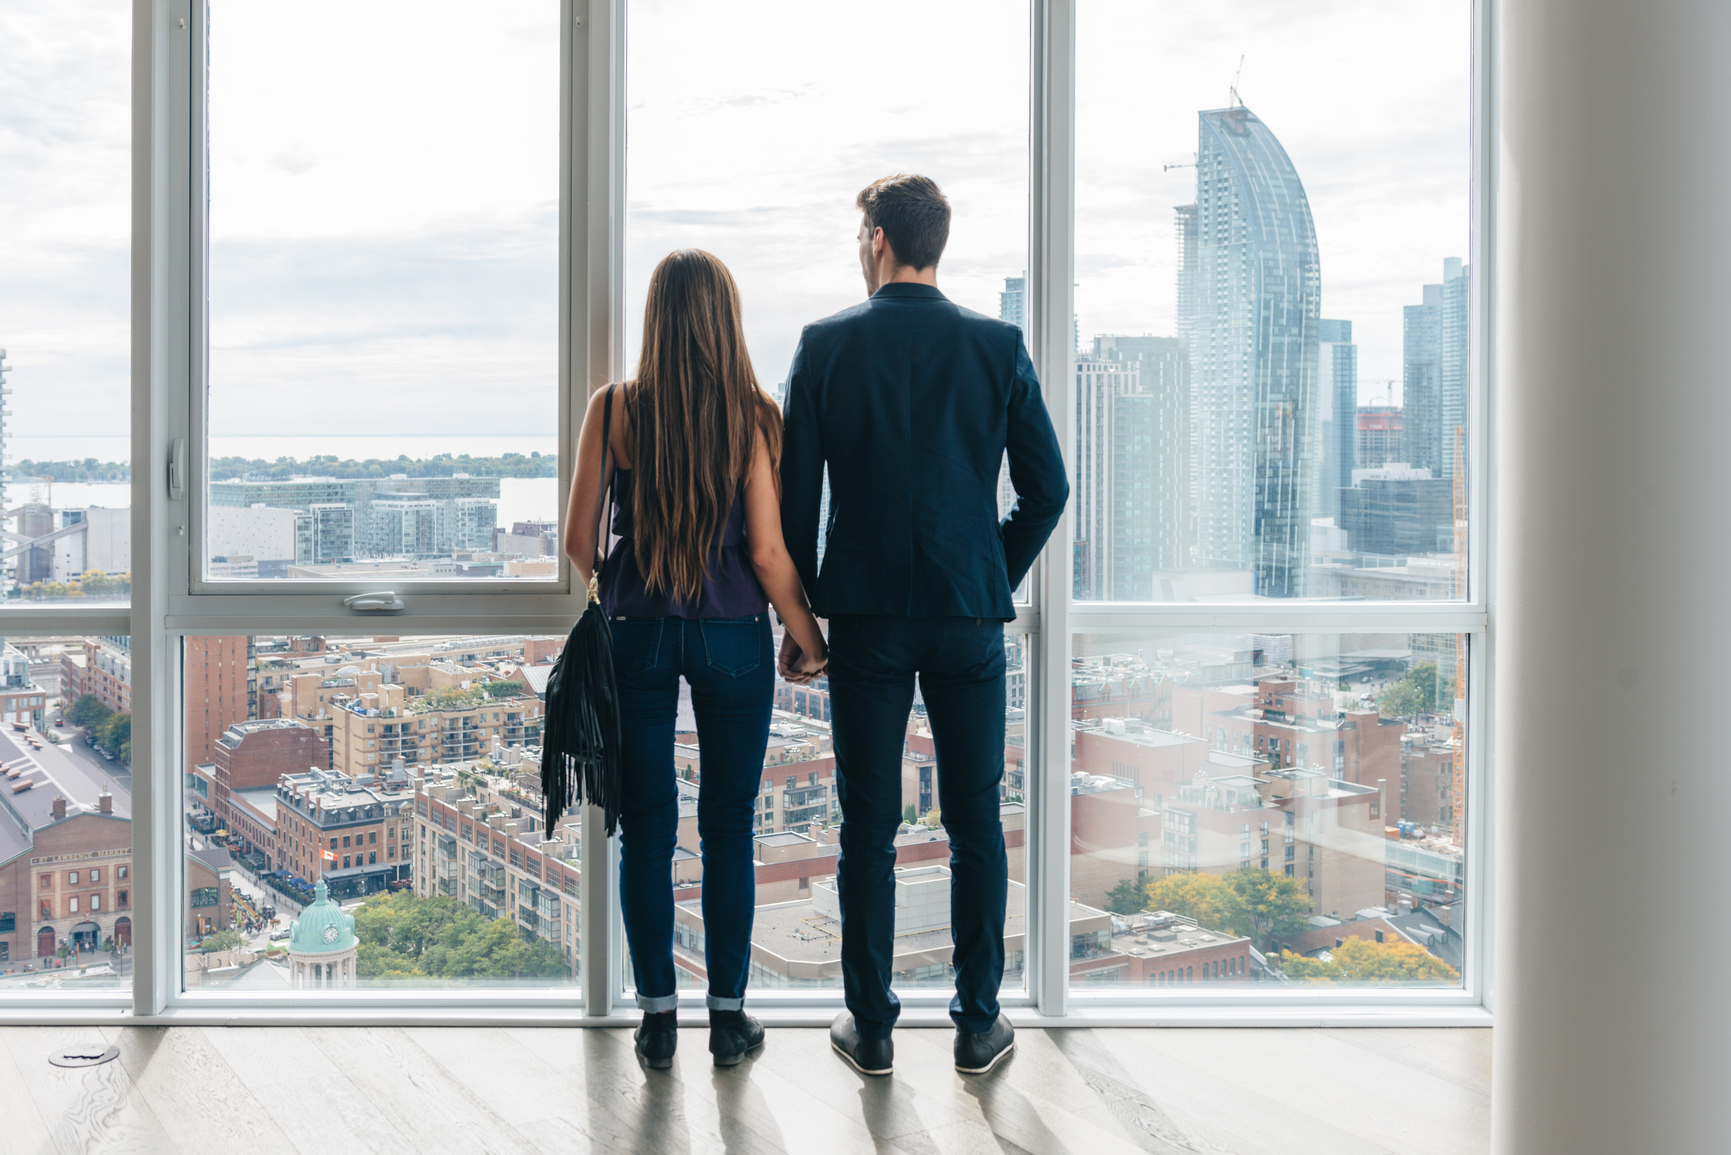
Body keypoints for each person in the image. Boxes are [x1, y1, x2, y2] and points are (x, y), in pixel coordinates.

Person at [779, 175, 1069, 1076]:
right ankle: (978, 1023)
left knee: (865, 826)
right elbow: (1047, 490)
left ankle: (869, 1028)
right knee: (975, 822)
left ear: (874, 239)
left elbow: (796, 507)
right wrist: (988, 568)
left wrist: (802, 623)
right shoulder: (995, 343)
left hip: (863, 619)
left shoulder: (824, 345)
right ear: (932, 242)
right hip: (966, 618)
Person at [564, 248, 829, 1069]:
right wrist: (811, 638)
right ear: (725, 319)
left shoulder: (612, 410)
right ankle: (727, 1020)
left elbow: (579, 541)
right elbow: (766, 550)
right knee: (726, 826)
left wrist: (633, 584)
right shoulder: (752, 415)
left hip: (637, 630)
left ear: (653, 317)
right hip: (731, 635)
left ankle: (654, 1020)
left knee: (643, 830)